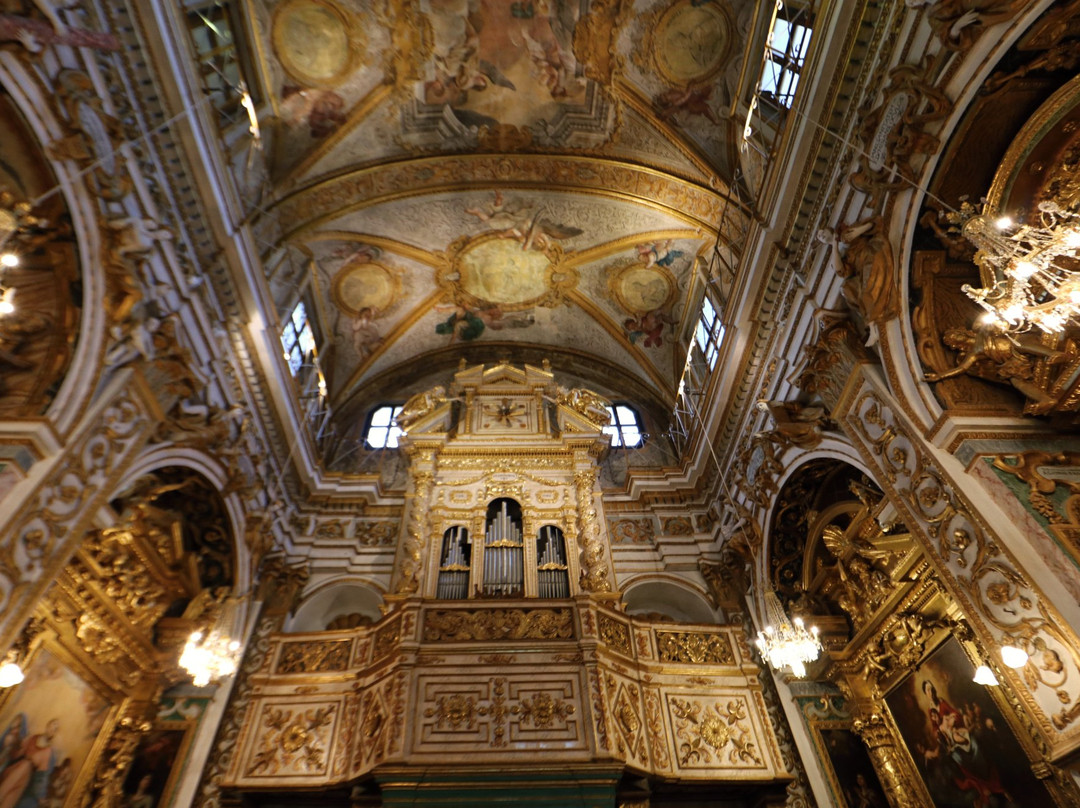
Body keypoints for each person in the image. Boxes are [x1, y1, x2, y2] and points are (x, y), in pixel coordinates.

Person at [0, 717, 59, 808]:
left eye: (54, 730)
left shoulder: (47, 751)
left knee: (9, 799)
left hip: (25, 776)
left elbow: (41, 776)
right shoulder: (33, 738)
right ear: (47, 726)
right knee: (5, 788)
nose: (51, 730)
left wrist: (40, 798)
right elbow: (18, 753)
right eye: (51, 727)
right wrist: (14, 746)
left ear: (54, 734)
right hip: (16, 768)